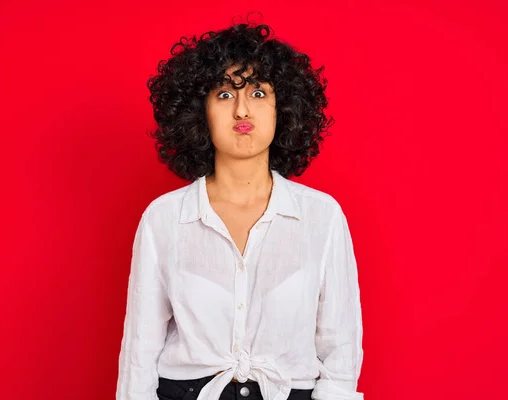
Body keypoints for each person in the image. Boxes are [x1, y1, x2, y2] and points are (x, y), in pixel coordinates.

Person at [116, 18, 364, 400]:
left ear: (284, 108)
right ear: (201, 111)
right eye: (225, 95)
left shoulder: (322, 217)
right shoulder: (163, 219)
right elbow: (139, 353)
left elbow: (340, 350)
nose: (243, 111)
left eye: (259, 93)